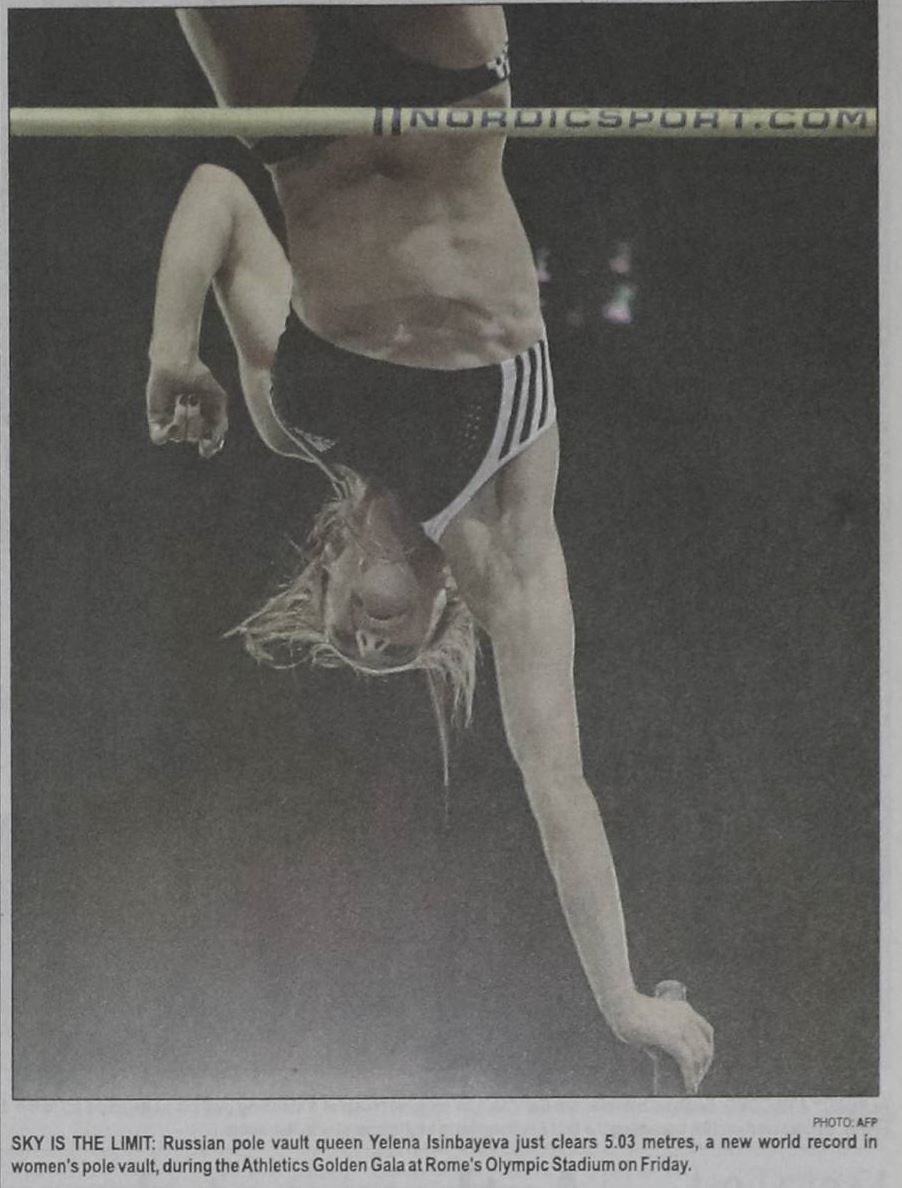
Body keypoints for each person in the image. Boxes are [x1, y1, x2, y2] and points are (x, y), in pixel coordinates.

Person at [146, 4, 714, 1093]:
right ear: (442, 612)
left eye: (344, 641)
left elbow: (218, 197)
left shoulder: (293, 421)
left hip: (296, 127)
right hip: (445, 102)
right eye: (393, 654)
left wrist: (172, 351)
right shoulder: (505, 546)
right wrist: (621, 1001)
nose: (367, 644)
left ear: (328, 574)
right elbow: (557, 783)